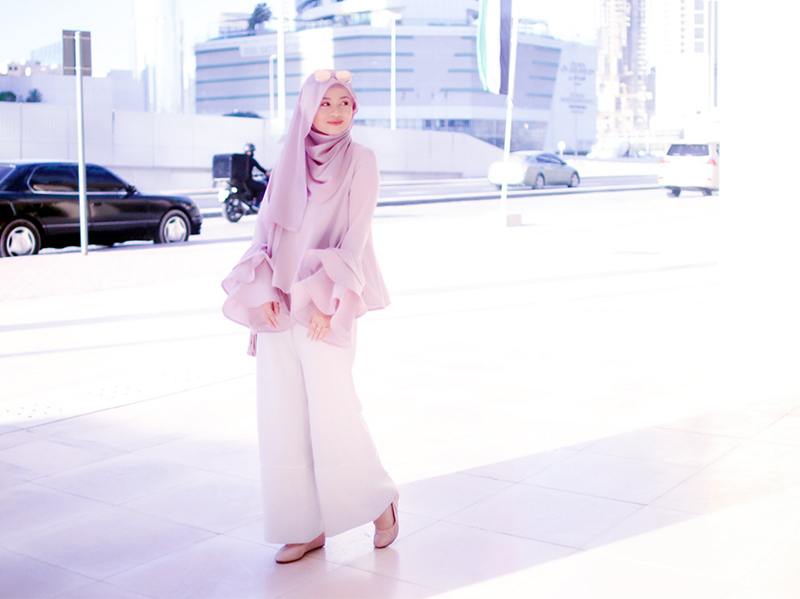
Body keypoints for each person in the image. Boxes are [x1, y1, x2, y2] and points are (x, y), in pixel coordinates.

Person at [221, 69, 398, 564]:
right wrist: (261, 291)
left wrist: (325, 297)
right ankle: (303, 526)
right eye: (325, 103)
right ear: (307, 109)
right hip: (278, 304)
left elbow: (355, 237)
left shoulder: (361, 161)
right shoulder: (287, 162)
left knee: (333, 411)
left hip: (325, 301)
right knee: (283, 418)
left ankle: (379, 499)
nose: (336, 111)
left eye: (345, 102)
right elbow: (265, 233)